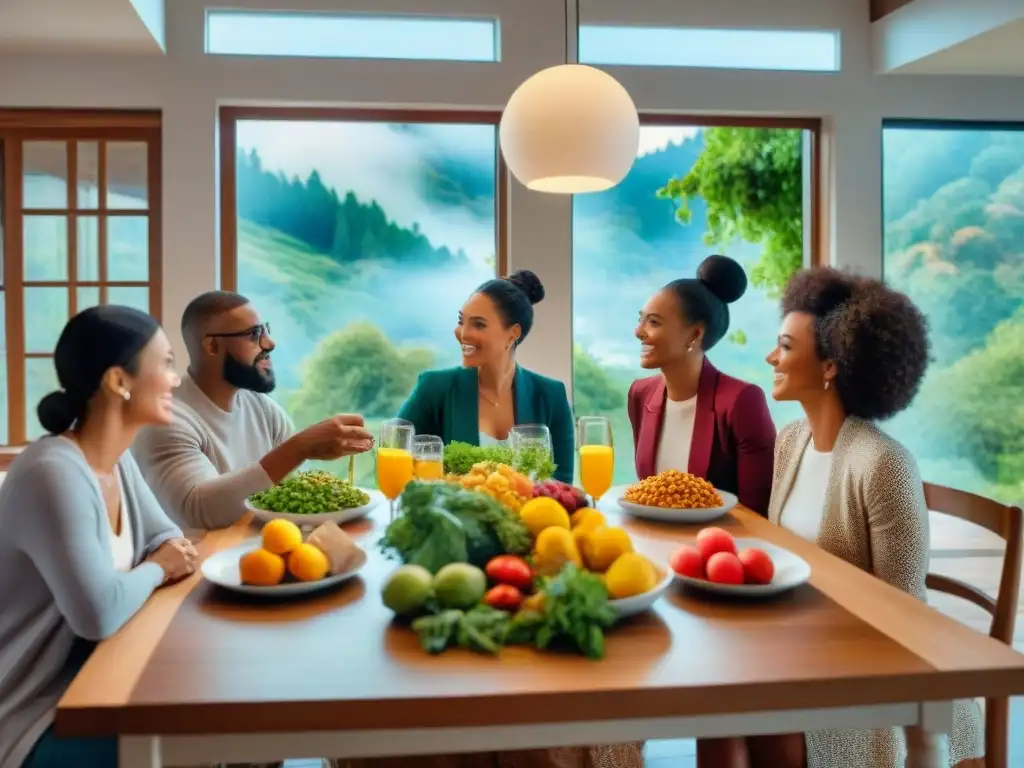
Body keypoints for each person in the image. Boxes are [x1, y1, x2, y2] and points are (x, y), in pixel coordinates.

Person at [701, 267, 984, 768]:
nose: (771, 357)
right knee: (715, 725)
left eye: (786, 347)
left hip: (873, 675)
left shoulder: (884, 465)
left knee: (755, 727)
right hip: (799, 649)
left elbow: (904, 617)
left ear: (831, 364)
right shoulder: (791, 441)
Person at [0, 306, 197, 768]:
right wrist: (157, 568)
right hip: (33, 717)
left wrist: (160, 559)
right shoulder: (53, 473)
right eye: (165, 363)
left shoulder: (117, 460)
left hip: (98, 682)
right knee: (200, 742)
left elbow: (168, 537)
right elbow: (98, 612)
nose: (174, 380)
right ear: (118, 381)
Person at [133, 291, 375, 534]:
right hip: (198, 566)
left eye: (266, 330)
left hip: (265, 554)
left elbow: (289, 495)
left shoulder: (262, 407)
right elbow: (200, 511)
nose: (270, 343)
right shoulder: (167, 419)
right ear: (212, 346)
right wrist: (299, 447)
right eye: (254, 334)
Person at [627, 255, 776, 515]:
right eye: (640, 319)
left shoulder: (742, 401)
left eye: (653, 322)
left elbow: (757, 513)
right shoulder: (640, 394)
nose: (638, 331)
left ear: (695, 334)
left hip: (721, 549)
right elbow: (647, 493)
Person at [397, 270, 575, 484]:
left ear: (513, 333)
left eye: (479, 324)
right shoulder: (434, 388)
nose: (463, 333)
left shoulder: (551, 395)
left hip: (530, 517)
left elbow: (562, 486)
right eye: (462, 321)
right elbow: (393, 458)